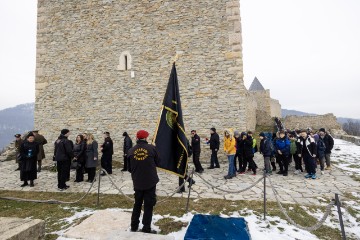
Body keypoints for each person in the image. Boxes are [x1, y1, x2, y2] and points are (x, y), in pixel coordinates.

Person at [128, 130, 159, 234]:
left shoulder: (131, 150)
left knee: (137, 204)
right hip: (150, 181)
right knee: (148, 205)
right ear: (146, 138)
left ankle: (134, 226)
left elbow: (129, 168)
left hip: (137, 181)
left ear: (137, 138)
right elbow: (158, 162)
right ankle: (146, 227)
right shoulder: (152, 148)